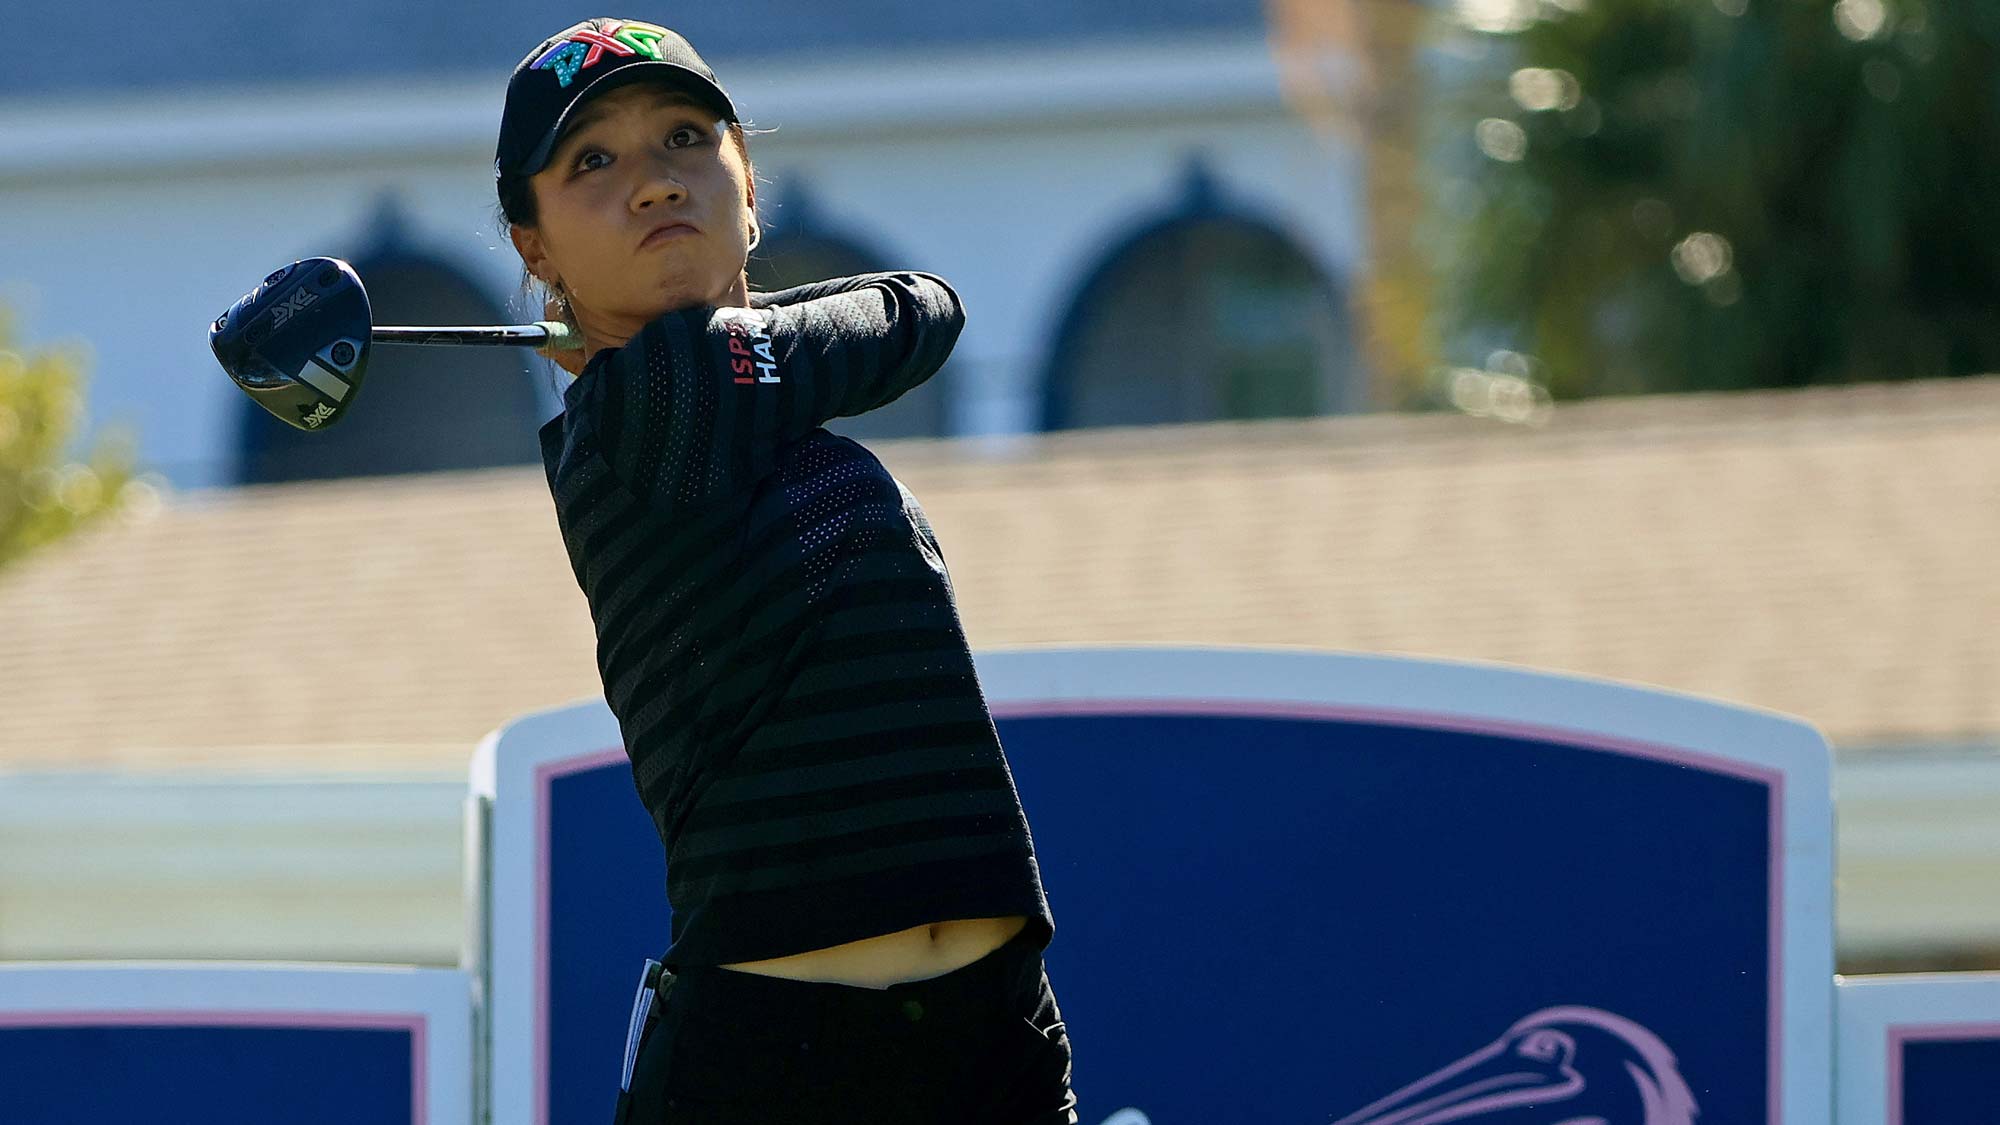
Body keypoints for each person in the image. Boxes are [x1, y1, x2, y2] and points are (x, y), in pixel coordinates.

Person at [491, 18, 1077, 1125]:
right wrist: (766, 331)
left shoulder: (753, 396)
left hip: (990, 1037)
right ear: (536, 249)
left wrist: (764, 334)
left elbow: (925, 308)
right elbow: (904, 314)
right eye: (593, 163)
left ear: (747, 188)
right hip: (774, 1067)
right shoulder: (629, 423)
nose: (654, 184)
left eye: (683, 139)